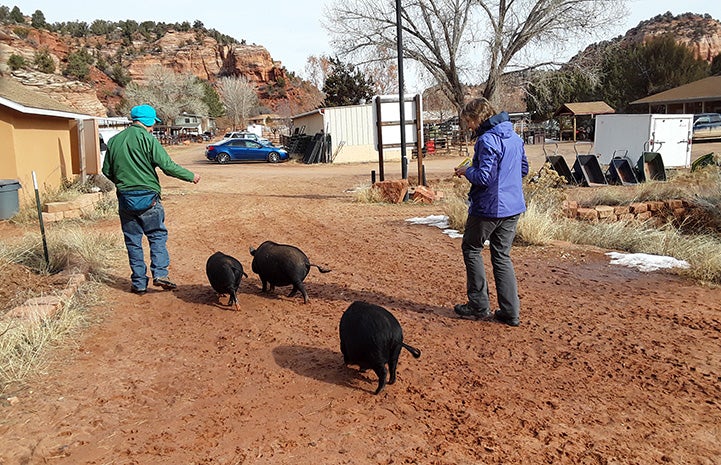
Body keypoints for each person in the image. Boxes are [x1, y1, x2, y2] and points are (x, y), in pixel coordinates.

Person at [102, 104, 201, 294]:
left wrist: (123, 183)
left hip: (125, 200)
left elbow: (106, 171)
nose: (152, 128)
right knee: (157, 235)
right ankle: (160, 273)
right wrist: (191, 176)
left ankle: (139, 284)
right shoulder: (148, 139)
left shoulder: (114, 141)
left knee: (133, 241)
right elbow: (167, 166)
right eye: (152, 124)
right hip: (149, 199)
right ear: (148, 122)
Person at [453, 98, 528, 326]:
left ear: (478, 118)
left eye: (470, 122)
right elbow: (523, 169)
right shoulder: (514, 137)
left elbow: (484, 177)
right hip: (513, 207)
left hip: (488, 207)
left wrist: (467, 171)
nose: (470, 127)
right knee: (501, 256)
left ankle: (478, 305)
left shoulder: (486, 140)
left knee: (472, 248)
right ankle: (510, 312)